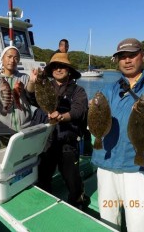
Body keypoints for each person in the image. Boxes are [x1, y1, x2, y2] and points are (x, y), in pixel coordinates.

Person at [91, 38, 144, 231]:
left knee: (140, 222)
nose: (127, 60)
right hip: (106, 162)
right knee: (108, 218)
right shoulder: (109, 89)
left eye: (132, 55)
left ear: (142, 56)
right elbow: (99, 118)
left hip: (136, 167)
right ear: (117, 61)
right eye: (122, 57)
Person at [27, 53, 91, 211]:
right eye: (55, 66)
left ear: (69, 70)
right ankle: (45, 205)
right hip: (46, 141)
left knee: (73, 180)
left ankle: (78, 203)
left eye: (62, 66)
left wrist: (62, 116)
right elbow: (31, 97)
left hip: (67, 142)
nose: (58, 69)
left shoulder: (78, 91)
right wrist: (31, 82)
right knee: (43, 178)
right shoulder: (44, 85)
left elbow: (79, 110)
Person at [0, 46, 33, 149]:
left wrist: (31, 85)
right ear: (2, 58)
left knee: (25, 162)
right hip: (4, 132)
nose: (12, 60)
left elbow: (33, 98)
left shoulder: (25, 78)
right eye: (9, 56)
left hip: (25, 130)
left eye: (16, 58)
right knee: (8, 163)